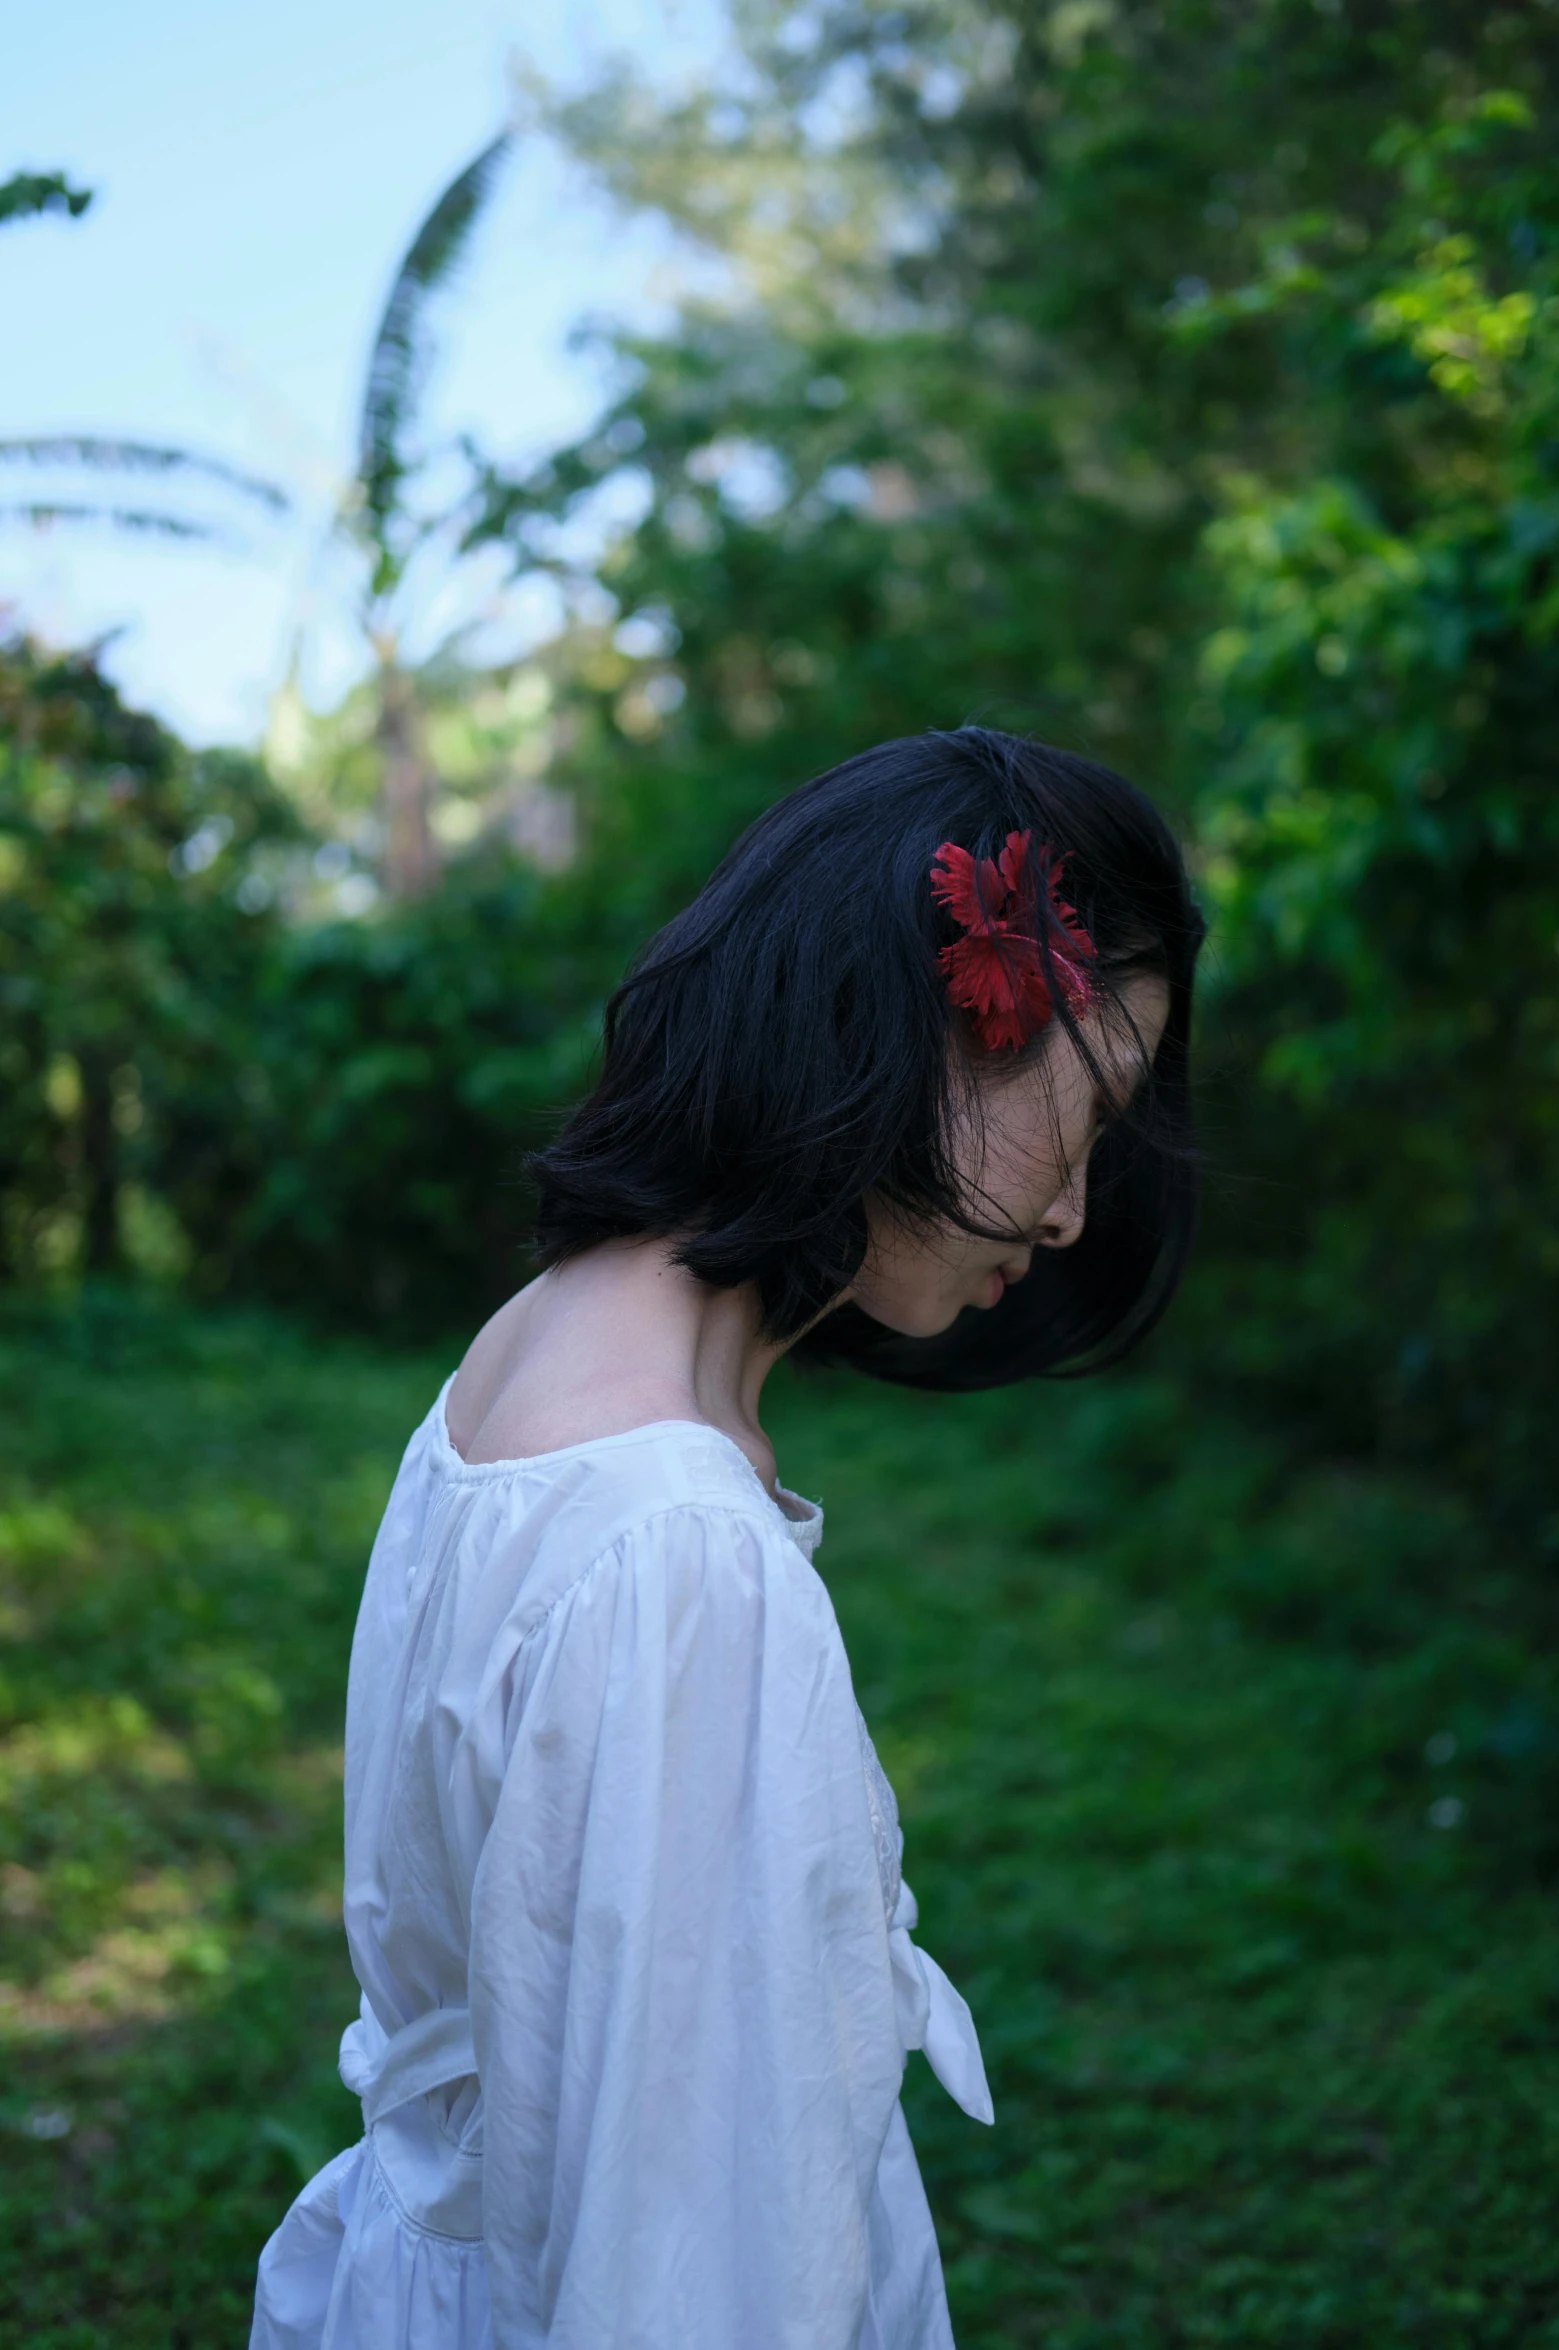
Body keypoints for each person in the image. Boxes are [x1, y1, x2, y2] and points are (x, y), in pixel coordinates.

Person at [249, 726, 1204, 2350]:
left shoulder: (532, 1344)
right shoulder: (677, 1557)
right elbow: (684, 2262)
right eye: (1088, 1113)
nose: (1065, 1215)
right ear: (926, 1029)